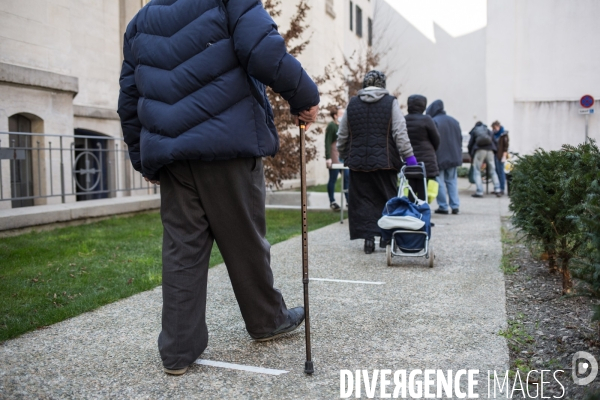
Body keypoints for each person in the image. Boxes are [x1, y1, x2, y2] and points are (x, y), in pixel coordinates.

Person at [118, 0, 320, 376]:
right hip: (227, 144)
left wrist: (140, 155)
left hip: (174, 155)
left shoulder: (140, 21)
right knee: (245, 239)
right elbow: (263, 50)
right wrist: (304, 96)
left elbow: (129, 98)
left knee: (182, 250)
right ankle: (266, 320)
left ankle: (178, 350)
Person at [337, 71, 417, 254]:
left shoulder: (353, 104)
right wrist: (409, 156)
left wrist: (344, 153)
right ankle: (385, 237)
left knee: (362, 200)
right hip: (385, 161)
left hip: (357, 163)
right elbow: (399, 132)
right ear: (383, 84)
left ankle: (368, 239)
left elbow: (342, 134)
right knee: (386, 198)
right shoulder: (390, 103)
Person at [426, 100, 463, 215]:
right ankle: (455, 206)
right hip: (453, 156)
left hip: (439, 156)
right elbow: (460, 139)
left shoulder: (434, 121)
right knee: (452, 181)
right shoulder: (454, 121)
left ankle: (443, 206)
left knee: (439, 182)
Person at [404, 95, 440, 201]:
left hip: (408, 158)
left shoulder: (403, 119)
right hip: (426, 160)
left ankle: (410, 210)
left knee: (410, 186)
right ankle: (422, 210)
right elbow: (436, 140)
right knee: (423, 188)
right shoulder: (427, 119)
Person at [467, 121, 502, 198]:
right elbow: (495, 142)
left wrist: (471, 154)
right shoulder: (487, 130)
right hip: (490, 150)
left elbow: (470, 144)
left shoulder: (475, 130)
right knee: (493, 170)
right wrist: (495, 152)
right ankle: (497, 189)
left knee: (477, 170)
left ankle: (479, 191)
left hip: (479, 150)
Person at [325, 107, 349, 210]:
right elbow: (327, 141)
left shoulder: (345, 126)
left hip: (343, 156)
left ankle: (349, 201)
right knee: (333, 178)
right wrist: (328, 157)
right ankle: (332, 201)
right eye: (341, 113)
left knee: (347, 178)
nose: (343, 115)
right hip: (334, 155)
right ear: (335, 115)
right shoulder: (332, 126)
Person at [491, 120, 509, 195]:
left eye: (494, 128)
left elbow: (506, 146)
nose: (494, 130)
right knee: (497, 171)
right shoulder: (494, 135)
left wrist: (504, 156)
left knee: (501, 172)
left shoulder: (503, 135)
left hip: (501, 155)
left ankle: (502, 188)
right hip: (495, 155)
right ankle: (497, 188)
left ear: (498, 126)